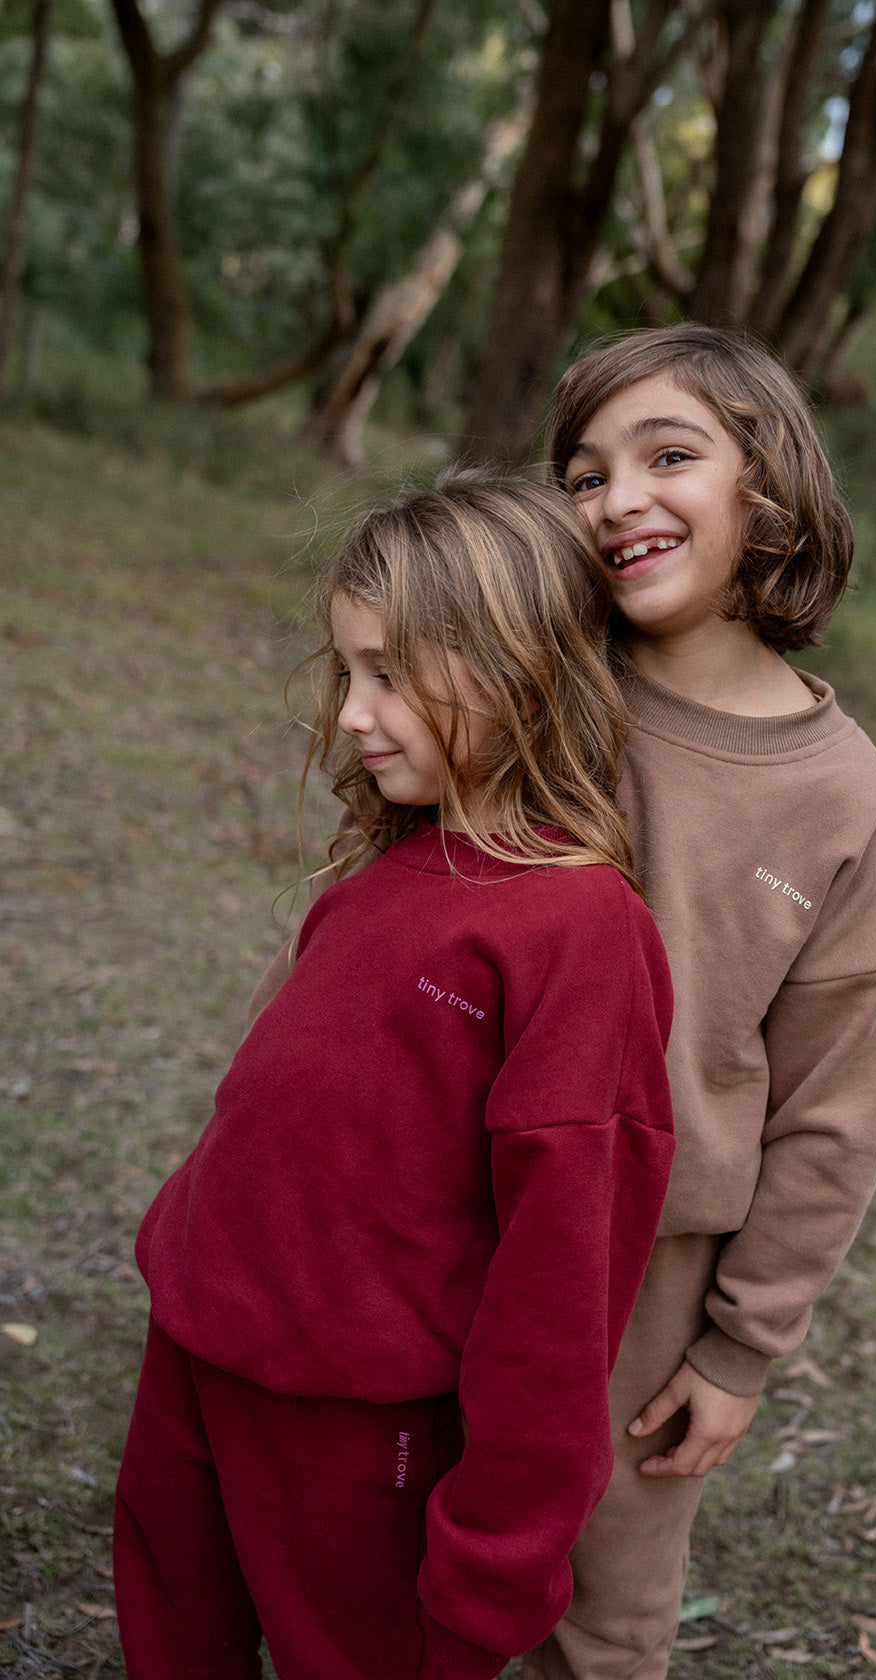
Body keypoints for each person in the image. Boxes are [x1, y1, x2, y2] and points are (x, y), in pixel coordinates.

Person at [112, 473, 676, 1680]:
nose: (354, 714)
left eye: (388, 674)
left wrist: (494, 1559)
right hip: (197, 1355)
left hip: (357, 1435)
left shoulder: (578, 931)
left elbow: (559, 1287)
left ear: (515, 666)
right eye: (346, 673)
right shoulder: (382, 878)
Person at [514, 324, 876, 1680]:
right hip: (461, 1198)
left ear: (771, 487)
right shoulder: (539, 696)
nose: (618, 497)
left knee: (607, 1592)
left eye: (667, 455)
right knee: (415, 1517)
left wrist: (741, 1350)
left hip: (650, 1271)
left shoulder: (844, 798)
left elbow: (838, 1107)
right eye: (582, 474)